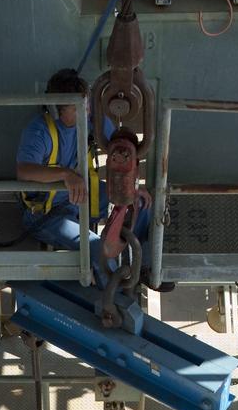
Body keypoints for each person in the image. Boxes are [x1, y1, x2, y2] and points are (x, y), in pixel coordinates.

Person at [16, 66, 162, 289]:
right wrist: (66, 175)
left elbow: (121, 149)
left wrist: (132, 186)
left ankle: (144, 267)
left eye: (85, 104)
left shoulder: (90, 116)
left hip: (84, 197)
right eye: (76, 108)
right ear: (57, 110)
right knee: (95, 248)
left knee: (141, 202)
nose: (86, 111)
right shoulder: (39, 132)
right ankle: (114, 297)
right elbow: (24, 171)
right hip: (46, 213)